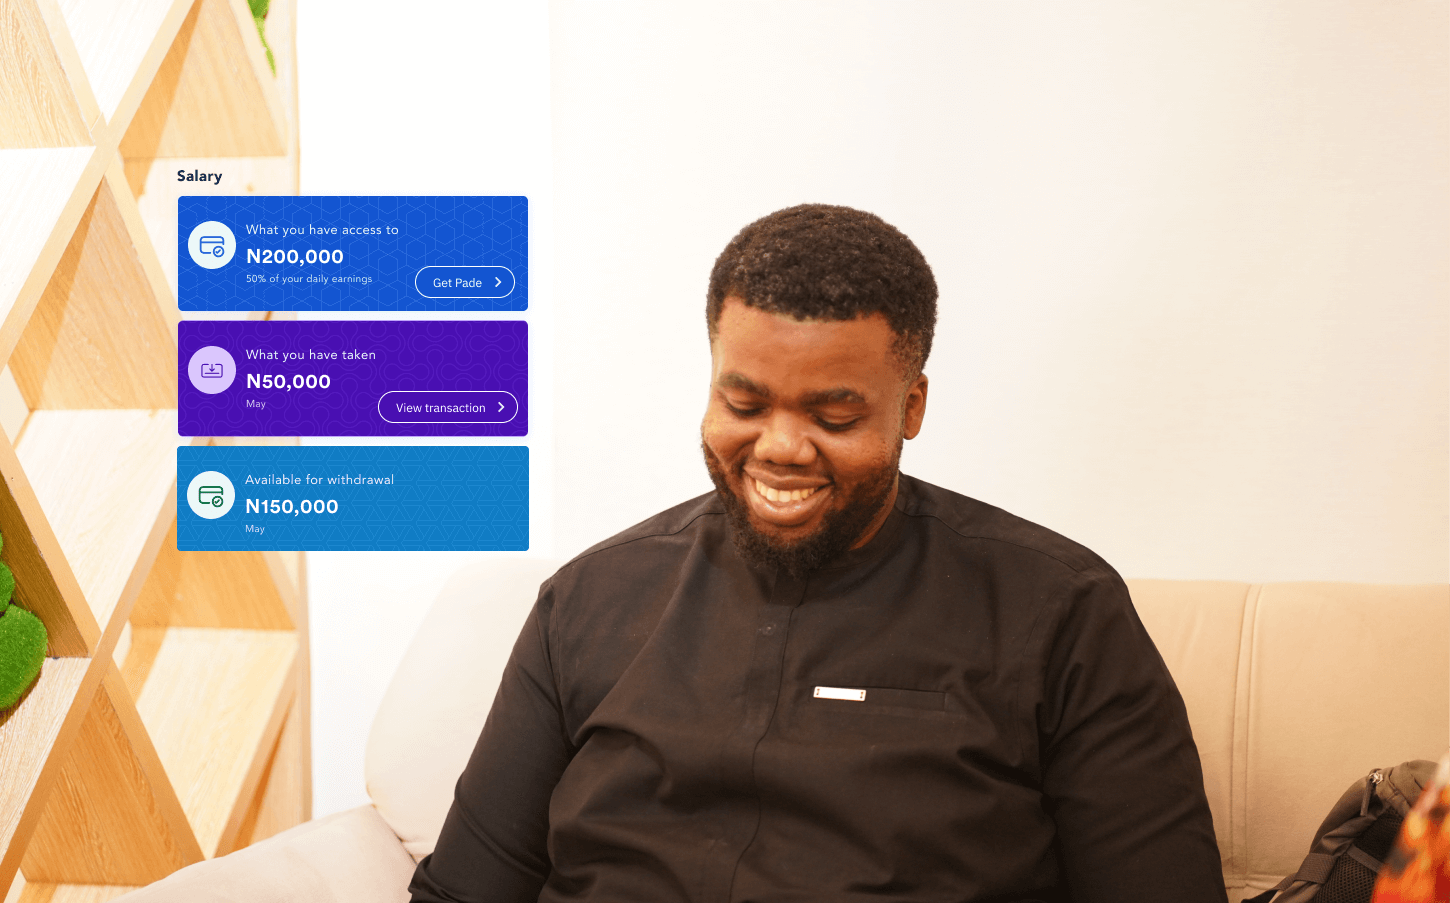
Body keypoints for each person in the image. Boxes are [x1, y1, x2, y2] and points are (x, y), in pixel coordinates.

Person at [409, 204, 1227, 903]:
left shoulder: (1060, 611)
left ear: (910, 407)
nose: (780, 447)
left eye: (833, 416)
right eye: (744, 402)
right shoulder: (588, 600)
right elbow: (463, 890)